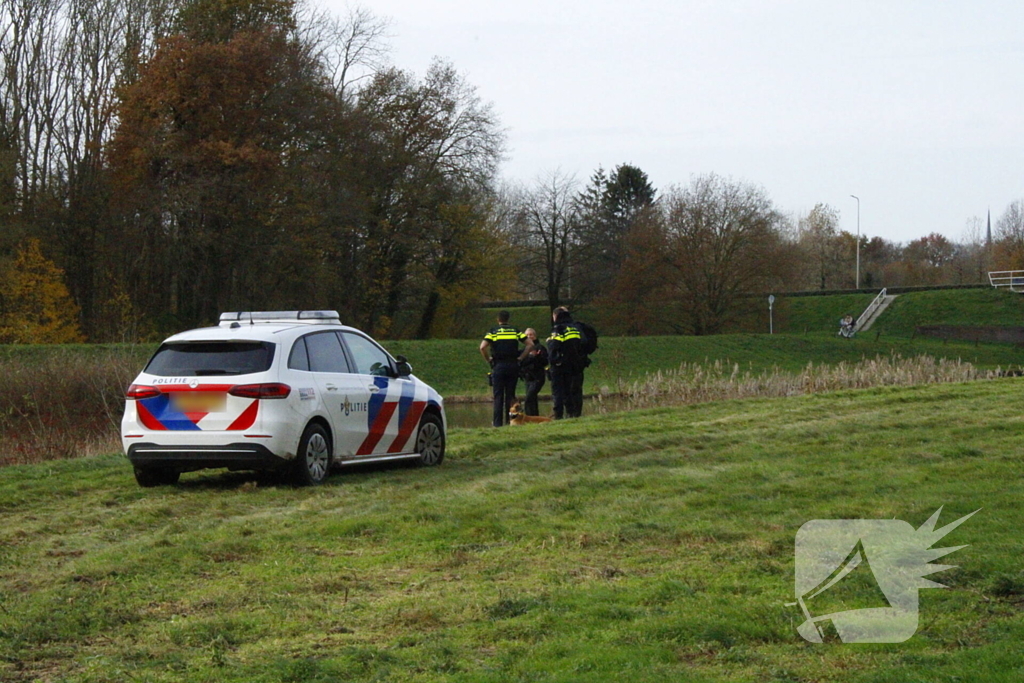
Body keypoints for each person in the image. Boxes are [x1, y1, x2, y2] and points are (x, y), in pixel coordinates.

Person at [480, 311, 531, 427]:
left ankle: (497, 424)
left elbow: (482, 347)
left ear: (498, 319)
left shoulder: (493, 331)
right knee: (510, 395)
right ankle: (510, 421)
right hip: (513, 365)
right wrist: (520, 358)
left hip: (499, 366)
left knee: (498, 396)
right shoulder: (515, 331)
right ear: (508, 319)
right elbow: (530, 344)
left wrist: (489, 359)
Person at [547, 307, 585, 419]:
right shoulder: (574, 329)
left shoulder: (558, 329)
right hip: (572, 364)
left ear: (556, 316)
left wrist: (553, 360)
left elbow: (554, 346)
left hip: (559, 365)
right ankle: (571, 413)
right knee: (568, 390)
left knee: (558, 391)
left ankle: (558, 415)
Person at [518, 328, 548, 416]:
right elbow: (520, 362)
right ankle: (534, 418)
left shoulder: (540, 347)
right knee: (533, 399)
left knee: (528, 399)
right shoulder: (524, 349)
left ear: (534, 336)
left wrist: (536, 357)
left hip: (537, 377)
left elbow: (545, 362)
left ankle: (528, 417)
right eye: (527, 335)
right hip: (528, 377)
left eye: (531, 335)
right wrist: (530, 357)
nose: (529, 336)